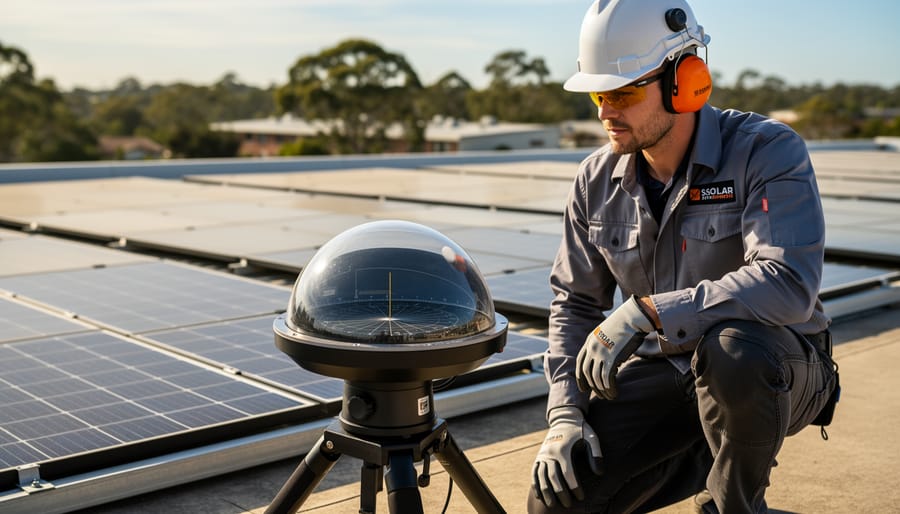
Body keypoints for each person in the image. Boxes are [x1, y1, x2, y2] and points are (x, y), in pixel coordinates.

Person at [528, 0, 839, 513]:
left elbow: (788, 283)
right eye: (599, 95)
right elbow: (575, 304)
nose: (606, 112)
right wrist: (565, 413)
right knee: (557, 498)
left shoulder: (767, 151)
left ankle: (732, 505)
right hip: (667, 372)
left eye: (624, 93)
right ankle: (699, 458)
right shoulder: (594, 181)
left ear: (685, 80)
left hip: (779, 367)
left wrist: (650, 311)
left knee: (734, 350)